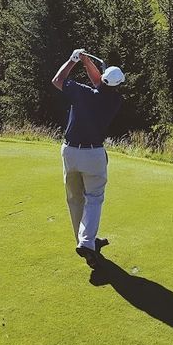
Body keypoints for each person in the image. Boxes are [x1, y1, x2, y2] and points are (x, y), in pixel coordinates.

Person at [52, 48, 125, 268]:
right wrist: (85, 61)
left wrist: (73, 59)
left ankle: (86, 243)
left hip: (71, 152)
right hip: (93, 155)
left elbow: (58, 79)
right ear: (119, 84)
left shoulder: (82, 92)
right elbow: (100, 84)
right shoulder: (115, 100)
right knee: (93, 199)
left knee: (75, 199)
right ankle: (87, 242)